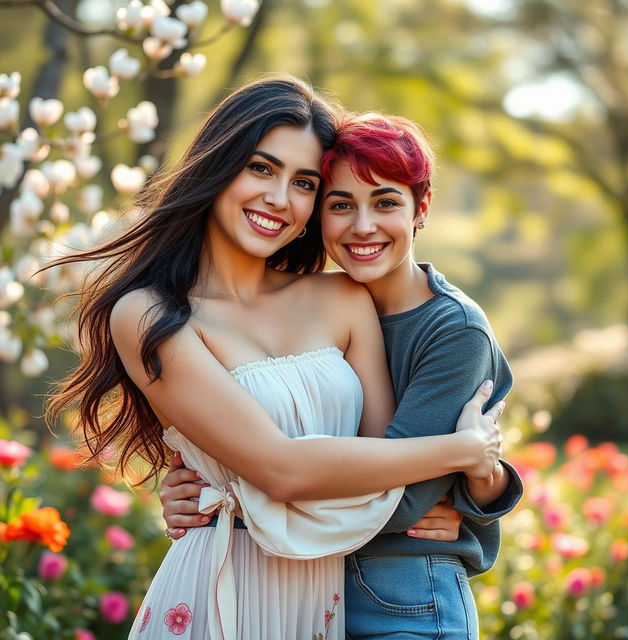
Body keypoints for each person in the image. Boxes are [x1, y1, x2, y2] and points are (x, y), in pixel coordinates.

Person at [45, 75, 504, 640]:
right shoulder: (149, 315)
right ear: (218, 165)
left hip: (328, 597)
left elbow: (388, 465)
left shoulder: (341, 297)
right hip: (221, 590)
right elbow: (282, 469)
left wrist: (471, 491)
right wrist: (463, 452)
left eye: (304, 182)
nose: (279, 199)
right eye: (261, 168)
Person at [161, 110, 523, 640]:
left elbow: (399, 503)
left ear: (421, 208)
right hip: (312, 587)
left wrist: (240, 497)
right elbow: (268, 441)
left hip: (404, 590)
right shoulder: (321, 302)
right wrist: (217, 489)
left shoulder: (453, 330)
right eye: (340, 205)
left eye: (386, 203)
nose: (363, 227)